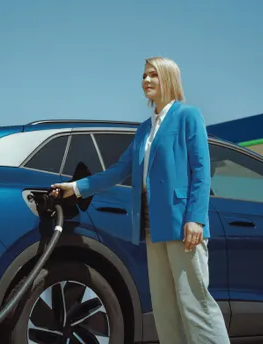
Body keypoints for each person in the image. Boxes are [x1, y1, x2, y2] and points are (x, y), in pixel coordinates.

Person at [51, 56, 230, 344]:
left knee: (195, 304)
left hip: (182, 223)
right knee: (165, 309)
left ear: (168, 78)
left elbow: (201, 171)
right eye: (144, 75)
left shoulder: (188, 116)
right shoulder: (145, 129)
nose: (146, 80)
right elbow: (119, 171)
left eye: (153, 75)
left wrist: (195, 218)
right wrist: (77, 187)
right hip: (151, 226)